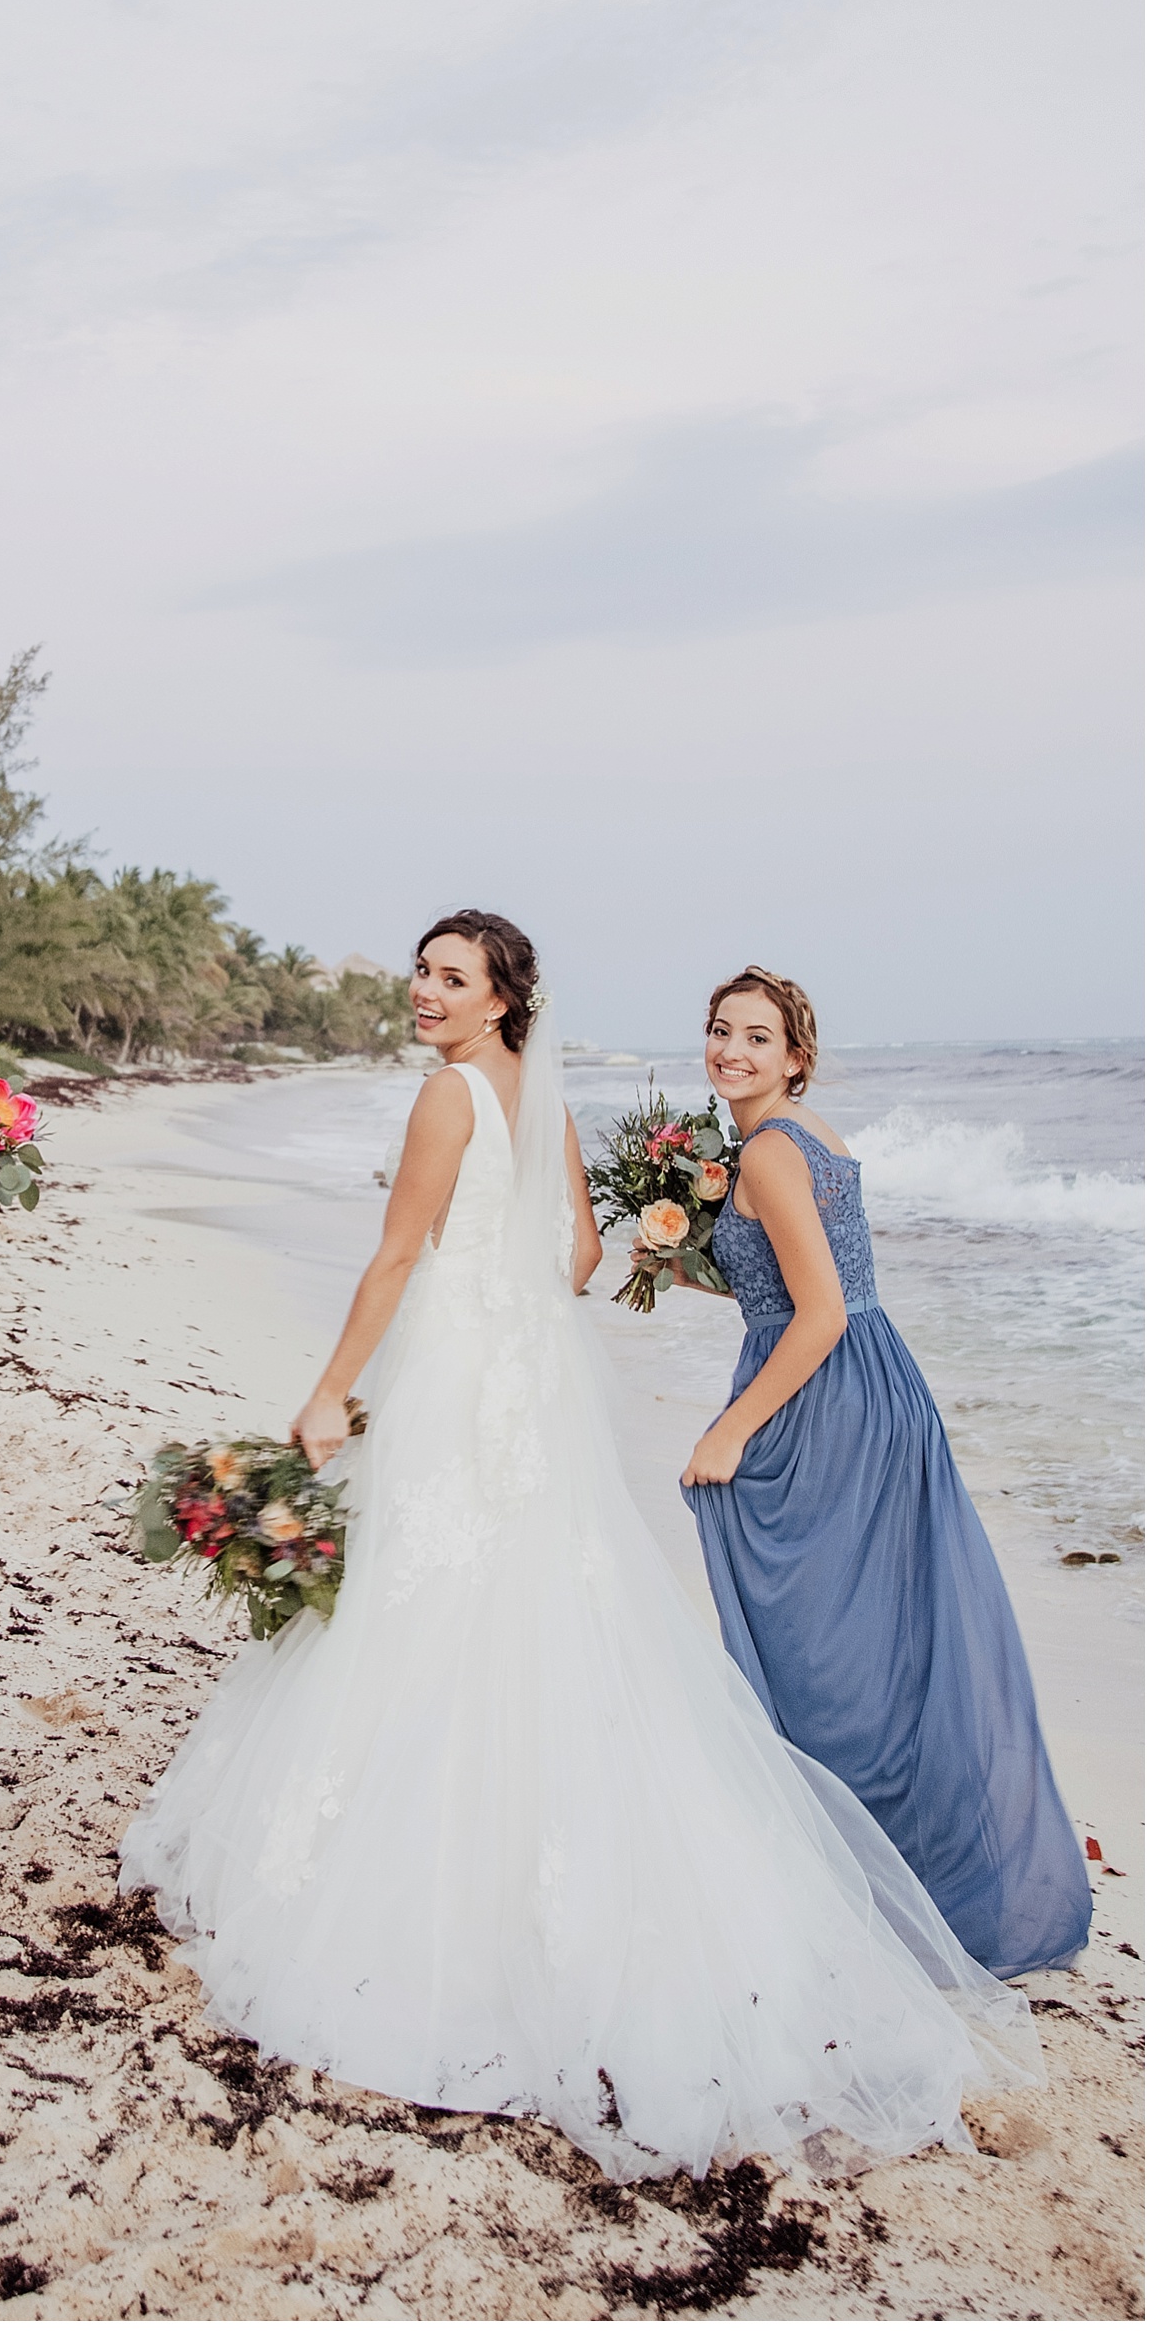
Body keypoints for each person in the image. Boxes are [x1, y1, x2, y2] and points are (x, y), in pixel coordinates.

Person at [119, 911, 1040, 2183]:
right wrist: (537, 1277)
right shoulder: (530, 1090)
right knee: (551, 1602)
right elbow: (582, 1258)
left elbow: (397, 1256)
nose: (425, 992)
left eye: (452, 977)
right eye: (424, 972)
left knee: (423, 1600)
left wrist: (333, 1388)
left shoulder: (450, 1096)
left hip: (459, 1378)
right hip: (534, 1386)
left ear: (501, 999)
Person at [677, 965, 1091, 1981]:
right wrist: (686, 1249)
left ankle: (859, 1886)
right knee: (882, 1649)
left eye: (757, 1037)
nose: (733, 1050)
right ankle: (901, 1872)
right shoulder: (806, 1139)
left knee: (823, 1657)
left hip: (824, 1403)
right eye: (721, 1030)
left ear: (796, 1057)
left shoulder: (771, 1154)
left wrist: (731, 1429)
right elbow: (806, 1280)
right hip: (873, 1387)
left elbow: (814, 1312)